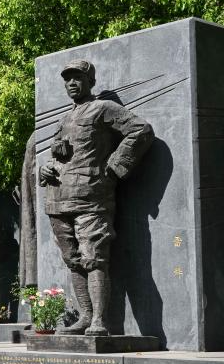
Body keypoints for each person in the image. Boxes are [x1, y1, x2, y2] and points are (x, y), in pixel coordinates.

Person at [38, 60, 153, 335]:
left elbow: (141, 130)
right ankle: (85, 317)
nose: (72, 84)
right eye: (67, 80)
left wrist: (115, 167)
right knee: (73, 260)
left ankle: (100, 320)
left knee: (94, 259)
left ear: (90, 81)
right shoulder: (63, 118)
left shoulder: (103, 108)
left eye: (77, 78)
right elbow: (62, 155)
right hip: (58, 198)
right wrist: (45, 168)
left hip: (92, 197)